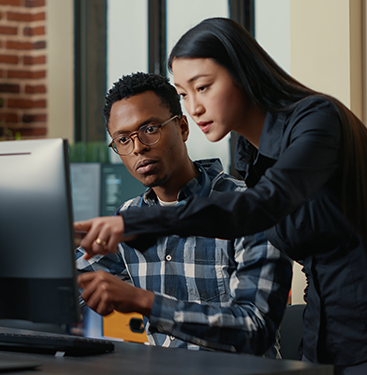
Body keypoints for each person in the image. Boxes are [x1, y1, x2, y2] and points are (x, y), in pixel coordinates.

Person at [75, 18, 367, 373]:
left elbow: (259, 208)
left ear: (243, 74)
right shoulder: (252, 153)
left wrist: (132, 224)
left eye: (202, 87)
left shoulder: (318, 120)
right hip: (322, 339)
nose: (194, 107)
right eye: (184, 94)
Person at [76, 72, 292, 356]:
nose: (138, 147)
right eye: (123, 139)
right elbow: (68, 283)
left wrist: (143, 301)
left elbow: (254, 329)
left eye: (150, 129)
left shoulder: (247, 205)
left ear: (182, 127)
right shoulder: (127, 216)